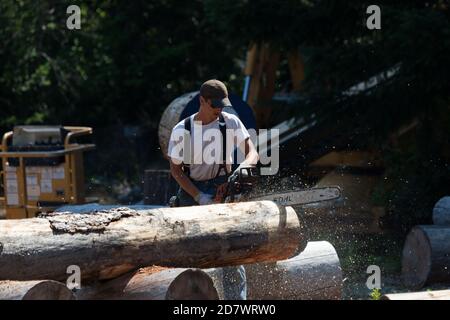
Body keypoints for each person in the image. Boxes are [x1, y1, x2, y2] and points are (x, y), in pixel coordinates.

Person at [167, 79, 259, 300]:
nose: (218, 109)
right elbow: (176, 171)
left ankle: (236, 302)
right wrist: (200, 197)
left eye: (221, 105)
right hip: (192, 191)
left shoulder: (230, 123)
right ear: (202, 101)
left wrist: (243, 168)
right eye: (214, 105)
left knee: (231, 252)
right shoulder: (184, 130)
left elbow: (252, 153)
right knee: (187, 253)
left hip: (222, 186)